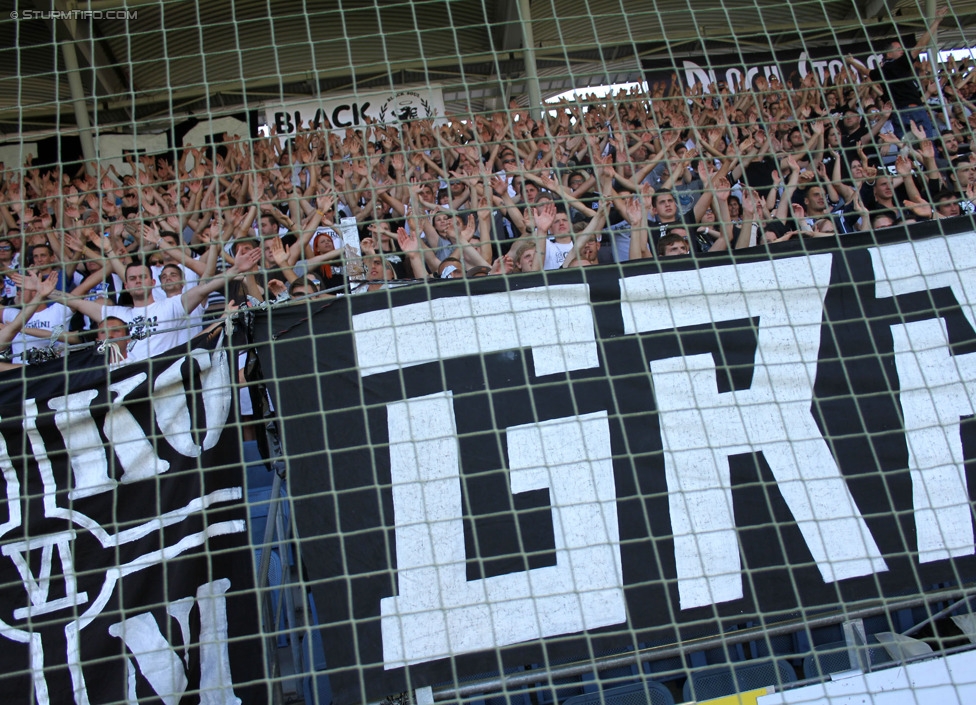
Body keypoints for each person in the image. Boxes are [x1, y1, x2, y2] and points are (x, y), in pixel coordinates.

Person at [49, 247, 261, 361]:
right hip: (133, 380)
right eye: (132, 278)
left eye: (142, 277)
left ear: (152, 282)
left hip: (168, 376)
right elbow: (75, 302)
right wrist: (48, 292)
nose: (137, 281)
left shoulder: (170, 305)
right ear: (126, 285)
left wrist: (234, 270)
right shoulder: (117, 314)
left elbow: (204, 287)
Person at [869, 6, 949, 138]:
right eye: (898, 48)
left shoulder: (880, 72)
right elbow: (921, 43)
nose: (902, 51)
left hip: (901, 113)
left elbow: (866, 71)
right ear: (889, 53)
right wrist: (936, 21)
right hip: (913, 111)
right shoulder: (900, 63)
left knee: (907, 151)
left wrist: (852, 62)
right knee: (927, 146)